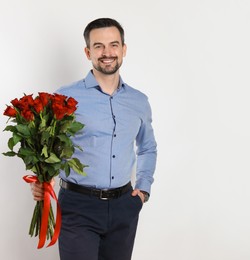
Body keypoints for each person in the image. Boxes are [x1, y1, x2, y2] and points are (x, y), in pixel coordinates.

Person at [30, 18, 157, 260]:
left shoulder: (139, 101)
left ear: (124, 49)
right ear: (88, 52)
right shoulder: (64, 97)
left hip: (124, 206)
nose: (107, 53)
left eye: (113, 45)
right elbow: (47, 145)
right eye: (98, 46)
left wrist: (143, 190)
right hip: (78, 206)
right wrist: (40, 180)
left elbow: (148, 147)